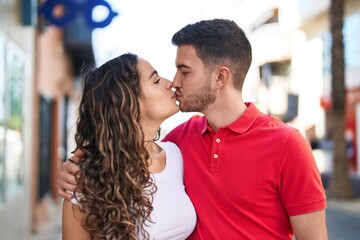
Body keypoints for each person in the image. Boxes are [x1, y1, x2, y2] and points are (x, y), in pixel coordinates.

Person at [59, 19, 327, 239]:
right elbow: (118, 148)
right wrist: (73, 167)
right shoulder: (180, 142)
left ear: (220, 77)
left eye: (184, 72)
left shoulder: (287, 144)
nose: (174, 82)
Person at [61, 53, 196, 240]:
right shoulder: (88, 182)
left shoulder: (175, 155)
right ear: (127, 103)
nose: (170, 83)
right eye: (156, 81)